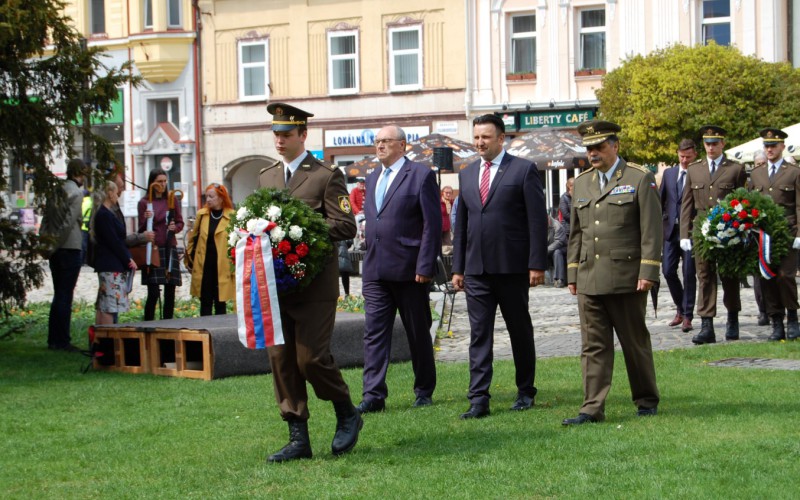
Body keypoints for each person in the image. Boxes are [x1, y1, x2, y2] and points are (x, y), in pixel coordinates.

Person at [258, 102, 361, 463]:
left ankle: (347, 410)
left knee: (312, 359)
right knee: (281, 358)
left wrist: (299, 231)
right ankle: (298, 436)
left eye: (286, 134)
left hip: (314, 284)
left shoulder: (325, 175)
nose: (279, 140)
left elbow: (346, 226)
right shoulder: (266, 177)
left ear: (304, 135)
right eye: (276, 134)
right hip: (277, 284)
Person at [562, 120, 661, 426]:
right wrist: (573, 273)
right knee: (592, 345)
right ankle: (591, 408)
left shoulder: (639, 177)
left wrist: (648, 271)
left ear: (615, 146)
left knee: (634, 342)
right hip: (590, 277)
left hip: (626, 276)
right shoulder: (581, 183)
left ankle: (646, 399)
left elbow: (651, 229)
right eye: (589, 148)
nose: (593, 153)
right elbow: (576, 233)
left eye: (599, 147)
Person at [451, 114, 547, 419]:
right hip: (476, 270)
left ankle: (525, 391)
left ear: (501, 138)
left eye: (486, 137)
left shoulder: (523, 169)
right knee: (479, 334)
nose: (480, 143)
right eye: (476, 137)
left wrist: (536, 263)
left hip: (512, 267)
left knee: (519, 330)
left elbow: (536, 220)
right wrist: (458, 268)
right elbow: (461, 226)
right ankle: (478, 398)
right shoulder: (466, 175)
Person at [357, 125, 442, 414]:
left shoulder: (420, 175)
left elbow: (432, 225)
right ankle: (373, 394)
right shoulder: (372, 178)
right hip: (376, 269)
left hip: (409, 269)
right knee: (374, 333)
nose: (379, 146)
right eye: (377, 141)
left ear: (402, 145)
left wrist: (425, 265)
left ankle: (424, 389)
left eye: (386, 141)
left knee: (417, 331)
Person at [680, 125, 746, 344]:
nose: (710, 147)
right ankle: (706, 324)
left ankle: (732, 319)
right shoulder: (694, 169)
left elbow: (742, 201)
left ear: (722, 144)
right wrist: (684, 234)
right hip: (702, 229)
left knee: (729, 275)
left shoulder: (735, 169)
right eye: (707, 144)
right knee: (705, 275)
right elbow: (687, 204)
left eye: (715, 143)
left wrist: (741, 228)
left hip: (728, 229)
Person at [749, 128, 800, 341]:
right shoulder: (756, 173)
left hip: (788, 232)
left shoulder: (794, 172)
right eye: (766, 146)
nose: (769, 149)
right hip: (764, 235)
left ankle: (793, 317)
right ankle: (776, 321)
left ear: (782, 147)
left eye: (773, 145)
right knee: (767, 277)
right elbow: (750, 203)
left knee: (786, 276)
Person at [46, 159, 88, 352]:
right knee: (65, 296)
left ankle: (54, 338)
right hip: (69, 247)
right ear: (80, 174)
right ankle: (62, 340)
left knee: (58, 295)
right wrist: (57, 242)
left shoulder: (57, 190)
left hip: (55, 248)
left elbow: (47, 218)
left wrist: (48, 243)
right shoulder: (76, 193)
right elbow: (69, 222)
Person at [660, 139, 698, 333]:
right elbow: (662, 199)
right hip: (671, 231)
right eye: (681, 156)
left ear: (695, 155)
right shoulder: (669, 173)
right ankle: (681, 308)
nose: (684, 160)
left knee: (689, 273)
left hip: (690, 231)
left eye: (688, 157)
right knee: (668, 271)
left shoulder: (698, 173)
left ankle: (688, 315)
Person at [137, 168, 184, 321]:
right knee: (153, 292)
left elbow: (179, 221)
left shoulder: (171, 200)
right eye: (159, 181)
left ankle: (169, 323)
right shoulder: (144, 203)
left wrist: (175, 228)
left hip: (169, 246)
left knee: (170, 290)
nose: (162, 185)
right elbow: (142, 229)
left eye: (165, 181)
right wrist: (146, 218)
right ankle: (149, 323)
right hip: (154, 249)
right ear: (152, 183)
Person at [184, 183, 235, 316]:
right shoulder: (202, 215)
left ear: (221, 198)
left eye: (211, 196)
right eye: (206, 197)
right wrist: (189, 260)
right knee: (205, 302)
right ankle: (204, 333)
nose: (208, 200)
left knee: (220, 302)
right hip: (204, 265)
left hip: (222, 266)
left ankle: (220, 334)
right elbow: (193, 239)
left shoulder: (231, 216)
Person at [91, 181, 137, 325]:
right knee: (109, 306)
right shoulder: (104, 215)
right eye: (116, 192)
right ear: (110, 193)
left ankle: (101, 340)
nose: (118, 195)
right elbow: (114, 241)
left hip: (111, 263)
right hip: (110, 264)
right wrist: (128, 259)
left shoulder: (106, 213)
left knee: (106, 304)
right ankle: (106, 340)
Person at [752, 151, 770, 326]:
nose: (761, 167)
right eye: (757, 164)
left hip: (777, 231)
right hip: (758, 234)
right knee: (759, 275)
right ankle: (762, 310)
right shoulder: (754, 179)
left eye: (763, 163)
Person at [546, 213, 567, 287]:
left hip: (562, 249)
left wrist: (544, 251)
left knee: (557, 252)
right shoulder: (540, 226)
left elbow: (559, 242)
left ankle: (559, 279)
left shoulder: (557, 225)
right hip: (549, 249)